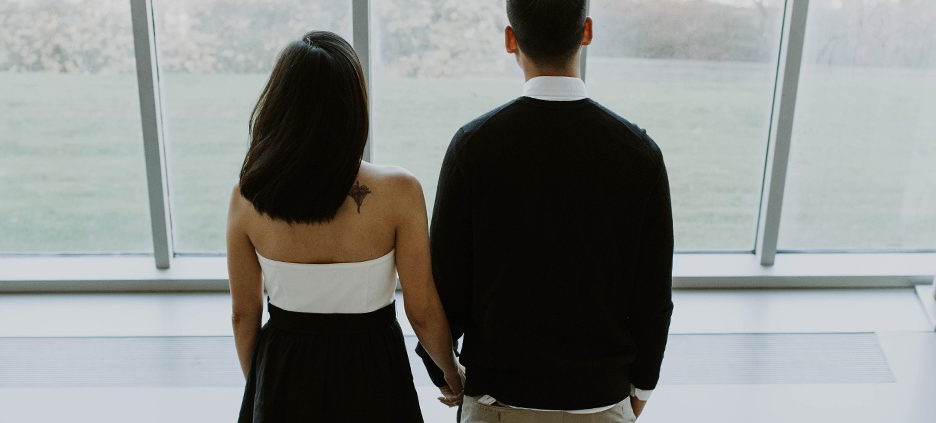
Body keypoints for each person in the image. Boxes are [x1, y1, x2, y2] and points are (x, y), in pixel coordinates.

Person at [415, 1, 675, 422]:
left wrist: (447, 375)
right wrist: (641, 388)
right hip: (602, 400)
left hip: (497, 400)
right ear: (586, 31)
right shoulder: (639, 153)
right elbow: (653, 294)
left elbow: (445, 287)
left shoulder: (473, 146)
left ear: (510, 39)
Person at [227, 31, 464, 422]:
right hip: (373, 369)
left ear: (280, 104)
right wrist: (451, 374)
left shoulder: (248, 196)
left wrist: (261, 385)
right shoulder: (399, 191)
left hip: (286, 368)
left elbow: (243, 313)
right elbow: (421, 309)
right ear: (354, 106)